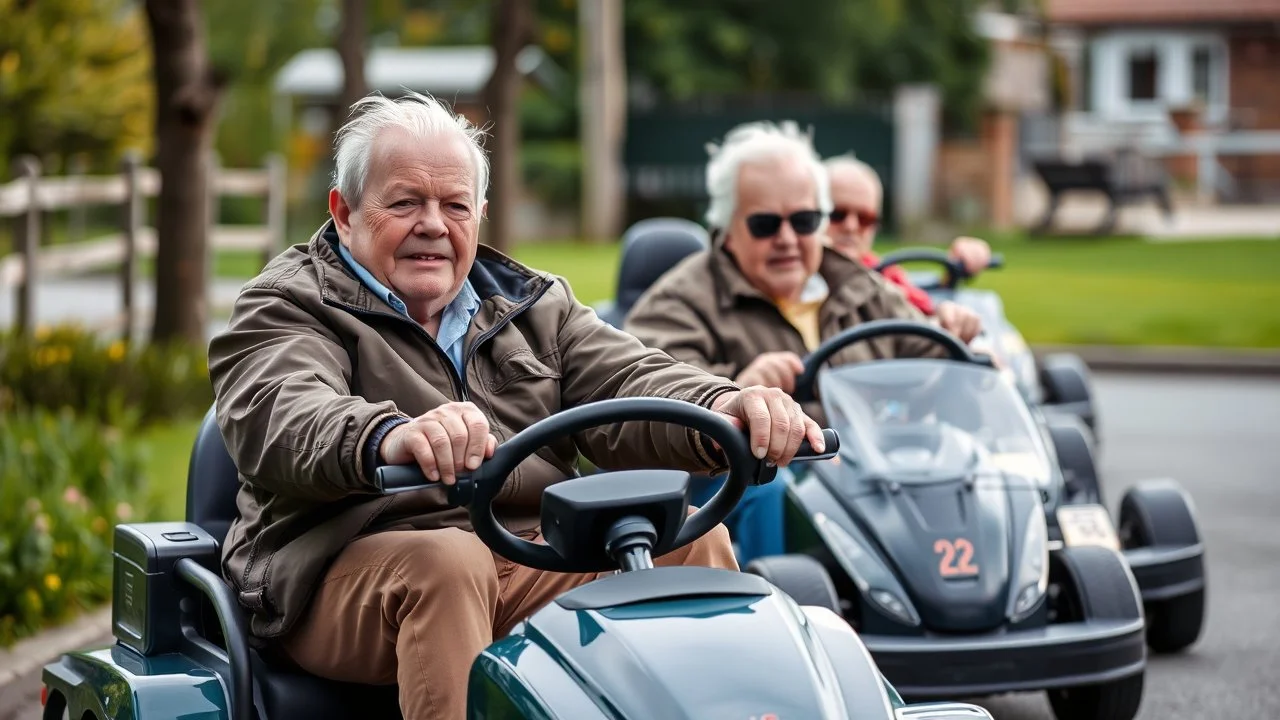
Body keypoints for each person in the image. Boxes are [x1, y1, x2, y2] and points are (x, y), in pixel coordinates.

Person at [207, 92, 825, 720]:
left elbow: (631, 380)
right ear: (345, 213)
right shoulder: (287, 304)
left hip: (526, 551)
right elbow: (283, 413)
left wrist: (727, 406)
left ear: (478, 213)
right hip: (340, 568)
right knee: (447, 564)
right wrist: (390, 436)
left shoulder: (533, 305)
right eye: (404, 203)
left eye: (454, 206)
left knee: (696, 543)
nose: (432, 225)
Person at [623, 121, 983, 565]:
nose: (788, 239)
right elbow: (649, 403)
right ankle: (778, 617)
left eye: (804, 220)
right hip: (758, 482)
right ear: (727, 228)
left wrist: (957, 336)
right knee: (768, 486)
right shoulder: (677, 302)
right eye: (765, 224)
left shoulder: (863, 288)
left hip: (875, 478)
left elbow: (936, 359)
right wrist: (735, 392)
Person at [823, 154, 992, 321]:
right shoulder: (802, 283)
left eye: (865, 219)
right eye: (837, 214)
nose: (851, 227)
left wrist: (958, 265)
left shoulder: (885, 275)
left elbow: (925, 313)